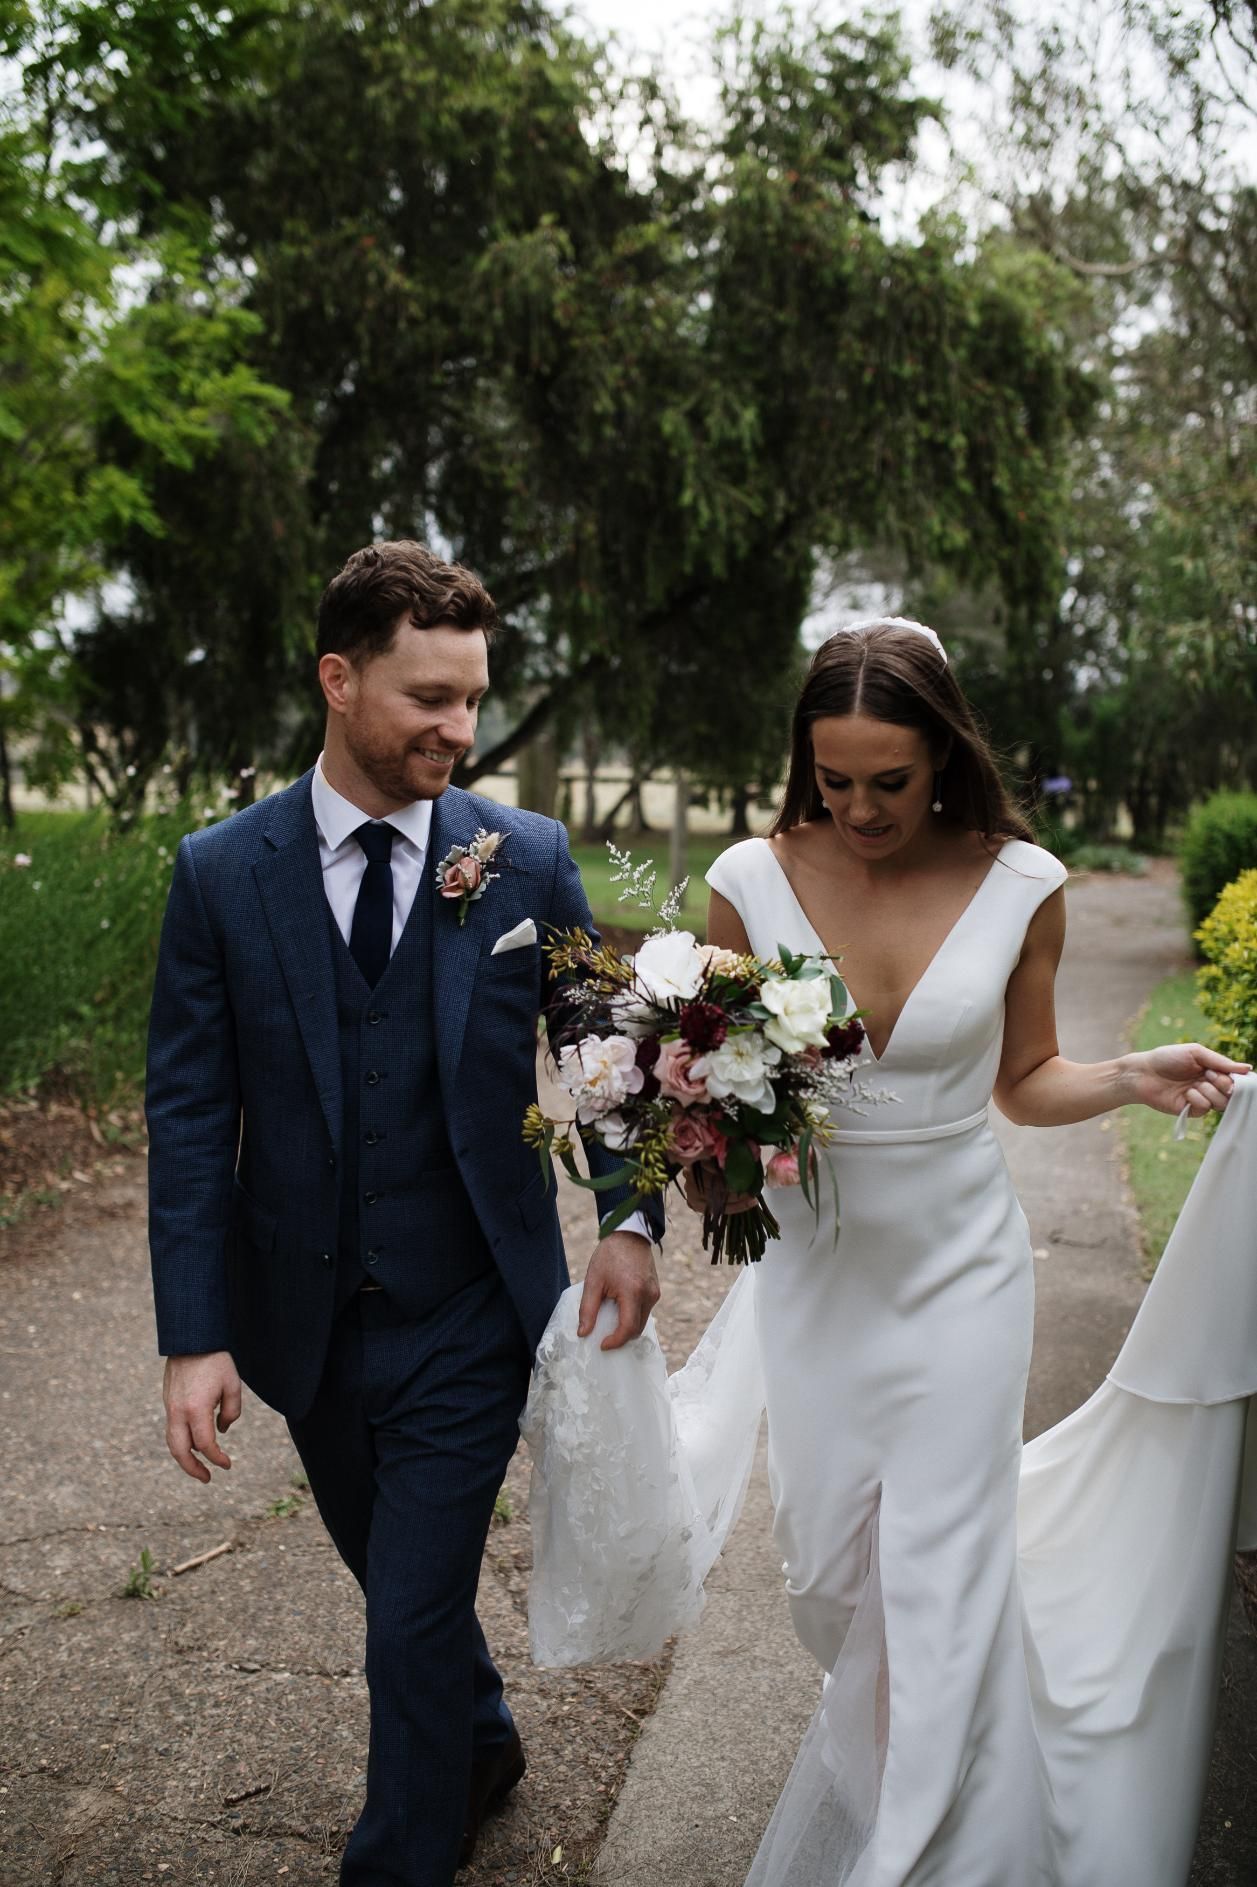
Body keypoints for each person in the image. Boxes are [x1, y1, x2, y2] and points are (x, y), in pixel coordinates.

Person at [521, 615, 1254, 1887]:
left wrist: (1134, 1074)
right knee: (833, 1576)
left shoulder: (1026, 882)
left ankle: (927, 1851)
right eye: (834, 780)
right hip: (814, 1279)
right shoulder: (749, 879)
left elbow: (1022, 1081)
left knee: (943, 1572)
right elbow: (703, 1084)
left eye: (891, 782)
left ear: (945, 757)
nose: (860, 808)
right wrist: (697, 1141)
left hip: (964, 1273)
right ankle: (917, 1761)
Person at [145, 540, 662, 1887]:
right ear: (337, 677)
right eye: (429, 695)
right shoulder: (219, 873)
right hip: (302, 1324)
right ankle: (482, 1741)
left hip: (471, 1310)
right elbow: (193, 1114)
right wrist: (193, 1334)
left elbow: (604, 1049)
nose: (460, 726)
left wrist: (631, 1219)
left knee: (408, 1614)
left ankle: (401, 1856)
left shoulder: (526, 858)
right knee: (407, 1599)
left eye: (472, 696)